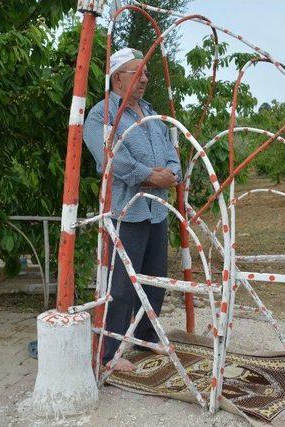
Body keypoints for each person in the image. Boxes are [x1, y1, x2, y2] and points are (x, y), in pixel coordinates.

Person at [83, 47, 181, 372]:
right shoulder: (102, 114)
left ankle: (145, 338)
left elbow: (172, 155)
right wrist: (150, 176)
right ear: (117, 78)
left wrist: (168, 174)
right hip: (126, 212)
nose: (145, 79)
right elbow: (111, 157)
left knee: (156, 280)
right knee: (123, 285)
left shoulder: (152, 113)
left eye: (147, 73)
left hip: (157, 211)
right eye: (137, 72)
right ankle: (109, 353)